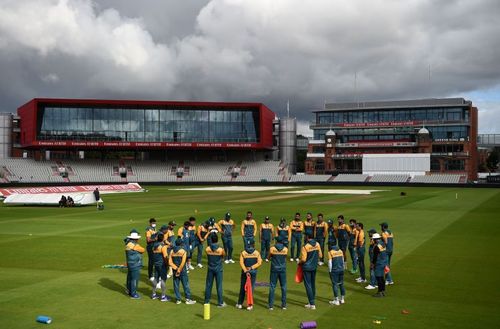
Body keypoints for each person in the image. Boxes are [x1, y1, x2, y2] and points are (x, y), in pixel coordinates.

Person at [236, 238, 262, 311]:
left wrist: (245, 270)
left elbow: (241, 262)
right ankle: (249, 305)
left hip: (245, 272)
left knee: (243, 287)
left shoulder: (243, 252)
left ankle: (240, 304)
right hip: (253, 272)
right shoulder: (257, 253)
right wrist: (251, 268)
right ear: (253, 244)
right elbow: (259, 262)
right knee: (251, 288)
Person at [168, 238, 197, 305]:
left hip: (175, 270)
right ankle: (188, 299)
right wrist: (179, 270)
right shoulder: (183, 251)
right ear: (181, 244)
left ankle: (178, 300)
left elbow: (170, 262)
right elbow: (183, 262)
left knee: (176, 285)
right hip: (182, 270)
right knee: (185, 285)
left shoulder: (172, 251)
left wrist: (176, 268)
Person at [299, 234, 322, 310]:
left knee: (308, 285)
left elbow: (304, 259)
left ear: (307, 237)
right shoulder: (317, 244)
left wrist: (299, 262)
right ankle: (311, 301)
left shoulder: (305, 246)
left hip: (307, 267)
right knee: (312, 284)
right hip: (314, 267)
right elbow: (320, 255)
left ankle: (312, 304)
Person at [204, 234, 226, 307]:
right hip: (218, 269)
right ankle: (220, 303)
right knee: (219, 286)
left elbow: (208, 255)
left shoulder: (207, 249)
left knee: (208, 285)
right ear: (217, 240)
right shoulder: (220, 249)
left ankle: (206, 301)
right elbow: (223, 256)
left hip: (210, 268)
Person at [268, 235, 288, 310]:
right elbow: (285, 257)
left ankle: (271, 306)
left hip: (274, 269)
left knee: (272, 286)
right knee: (283, 287)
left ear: (276, 241)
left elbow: (268, 257)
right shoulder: (285, 249)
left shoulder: (272, 248)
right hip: (282, 269)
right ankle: (284, 305)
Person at [124, 230, 145, 299]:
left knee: (130, 278)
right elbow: (143, 250)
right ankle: (133, 294)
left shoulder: (128, 244)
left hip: (130, 263)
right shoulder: (133, 245)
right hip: (135, 264)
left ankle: (129, 291)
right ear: (135, 239)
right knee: (134, 279)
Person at [151, 232, 169, 302]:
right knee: (163, 279)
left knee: (156, 278)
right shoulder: (163, 246)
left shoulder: (154, 245)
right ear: (163, 239)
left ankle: (153, 294)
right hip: (162, 265)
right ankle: (163, 296)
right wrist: (167, 264)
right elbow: (165, 257)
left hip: (156, 264)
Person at [371, 233, 388, 297]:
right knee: (381, 277)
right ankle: (383, 291)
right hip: (383, 262)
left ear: (375, 239)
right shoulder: (383, 244)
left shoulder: (376, 247)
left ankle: (380, 292)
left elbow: (375, 257)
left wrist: (372, 264)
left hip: (378, 263)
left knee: (378, 278)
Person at [146, 218, 157, 282]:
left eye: (155, 223)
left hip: (154, 246)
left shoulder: (154, 229)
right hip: (150, 246)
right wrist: (155, 239)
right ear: (150, 223)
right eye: (153, 223)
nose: (154, 224)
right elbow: (148, 240)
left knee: (154, 261)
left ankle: (153, 274)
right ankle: (150, 275)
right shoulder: (148, 230)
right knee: (151, 261)